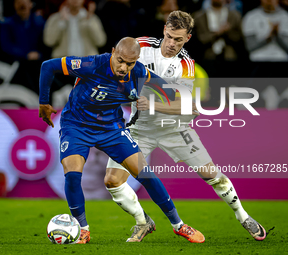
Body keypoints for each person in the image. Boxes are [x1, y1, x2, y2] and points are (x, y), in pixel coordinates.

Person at [104, 10, 267, 242]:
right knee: (112, 181)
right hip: (139, 130)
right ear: (164, 30)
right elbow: (113, 65)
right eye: (169, 36)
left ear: (188, 38)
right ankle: (143, 222)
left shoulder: (186, 65)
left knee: (213, 176)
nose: (171, 43)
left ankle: (244, 216)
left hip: (175, 129)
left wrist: (152, 105)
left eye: (178, 39)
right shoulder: (141, 46)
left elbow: (189, 108)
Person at [39, 37, 205, 244]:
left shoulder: (139, 73)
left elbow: (170, 92)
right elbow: (48, 66)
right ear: (113, 52)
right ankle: (83, 230)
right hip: (76, 125)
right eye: (120, 60)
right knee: (72, 175)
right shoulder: (92, 64)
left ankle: (179, 225)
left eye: (130, 63)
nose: (124, 67)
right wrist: (44, 103)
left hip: (111, 128)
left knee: (145, 173)